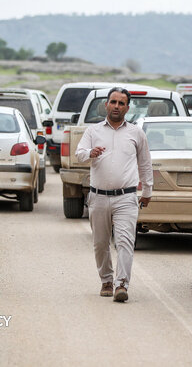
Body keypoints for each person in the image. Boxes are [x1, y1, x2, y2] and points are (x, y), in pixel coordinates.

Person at [75, 87, 153, 302]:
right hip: (98, 197)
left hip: (126, 197)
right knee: (100, 243)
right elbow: (79, 154)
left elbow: (145, 163)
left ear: (127, 108)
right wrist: (90, 153)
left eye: (121, 103)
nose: (116, 106)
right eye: (113, 102)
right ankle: (106, 280)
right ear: (106, 104)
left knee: (125, 242)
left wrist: (147, 190)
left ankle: (121, 285)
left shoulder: (136, 132)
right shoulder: (93, 131)